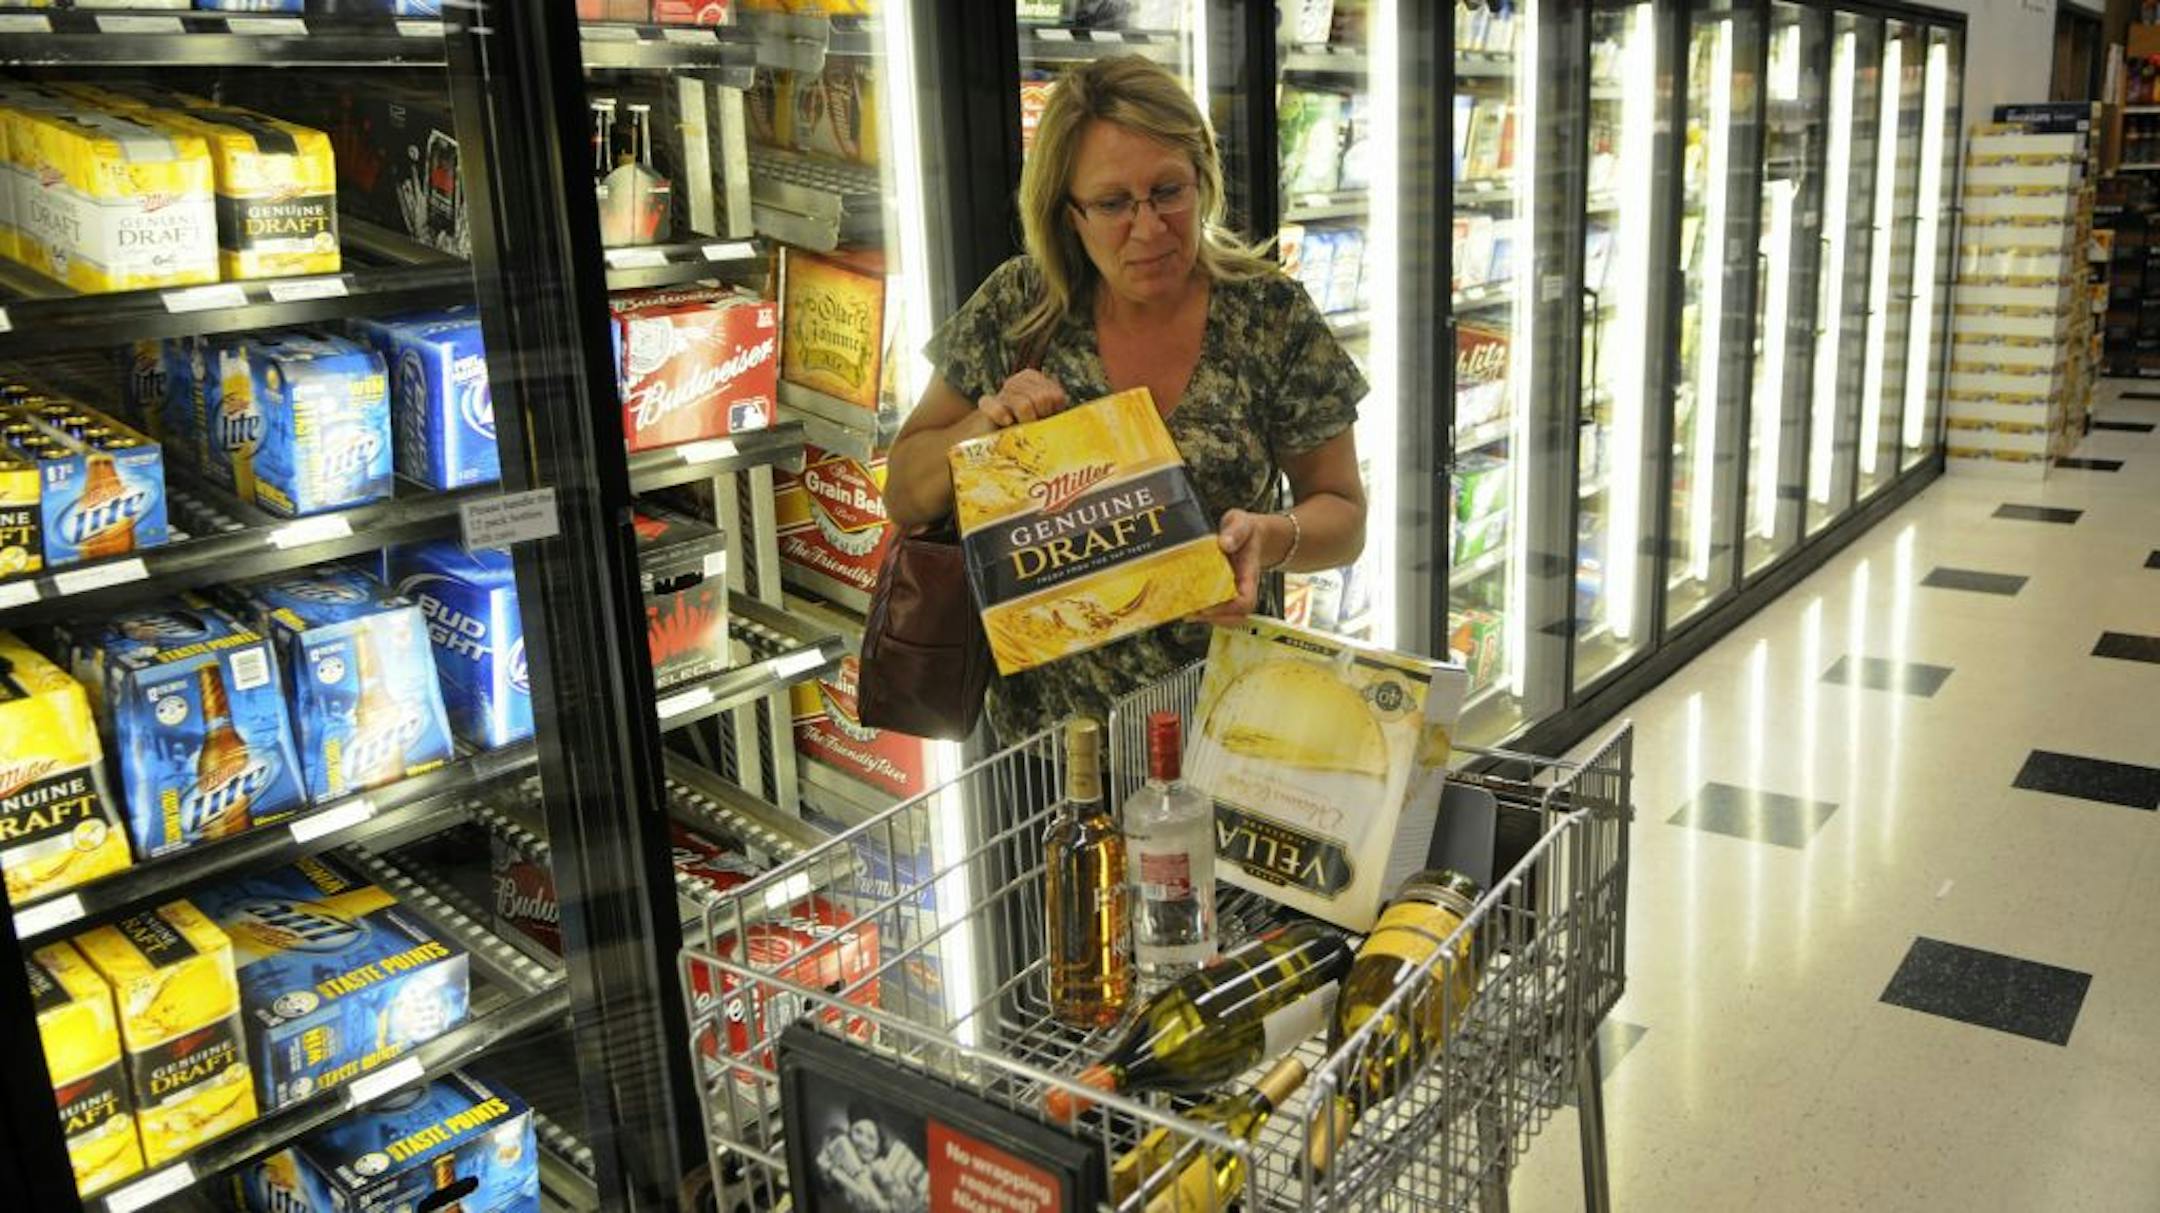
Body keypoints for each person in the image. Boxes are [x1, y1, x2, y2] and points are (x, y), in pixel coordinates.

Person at [885, 54, 1369, 742]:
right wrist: (980, 428)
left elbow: (1345, 515)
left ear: (1203, 179)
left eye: (1169, 191)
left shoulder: (1269, 314)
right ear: (1067, 212)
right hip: (1051, 758)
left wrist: (1271, 537)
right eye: (1113, 203)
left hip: (1227, 732)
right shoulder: (1020, 307)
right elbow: (903, 493)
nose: (1148, 228)